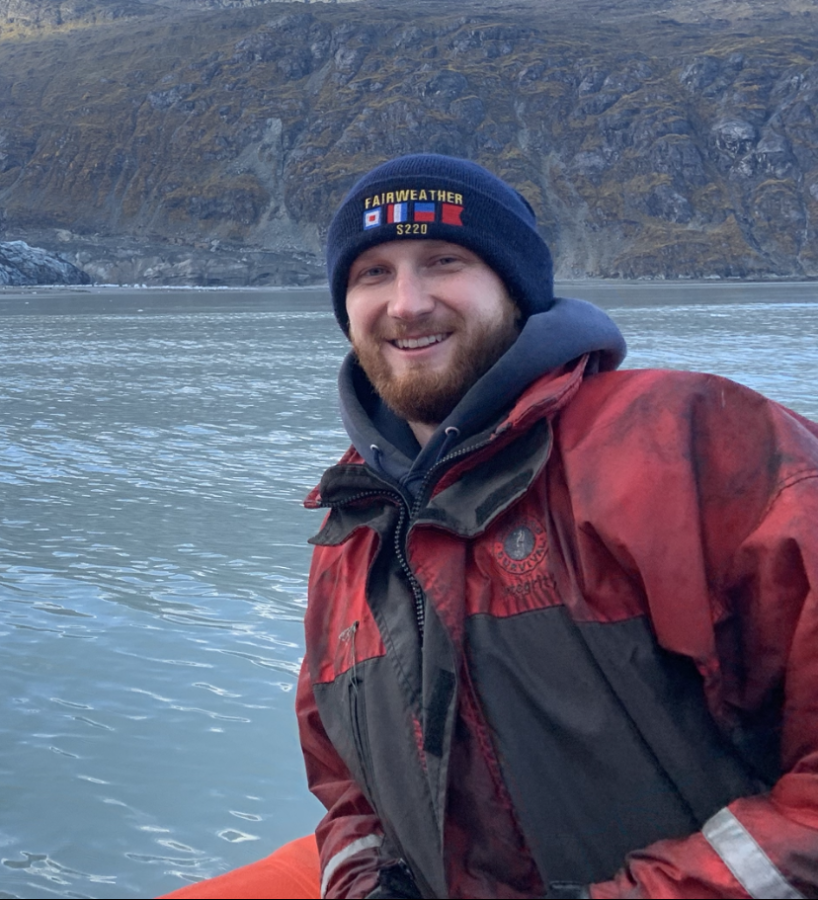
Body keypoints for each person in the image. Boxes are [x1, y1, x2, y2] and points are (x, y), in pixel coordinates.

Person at [295, 154, 818, 900]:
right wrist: (363, 881)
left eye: (444, 261)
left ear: (516, 288)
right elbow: (345, 778)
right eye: (372, 273)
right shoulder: (351, 532)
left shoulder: (691, 442)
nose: (407, 303)